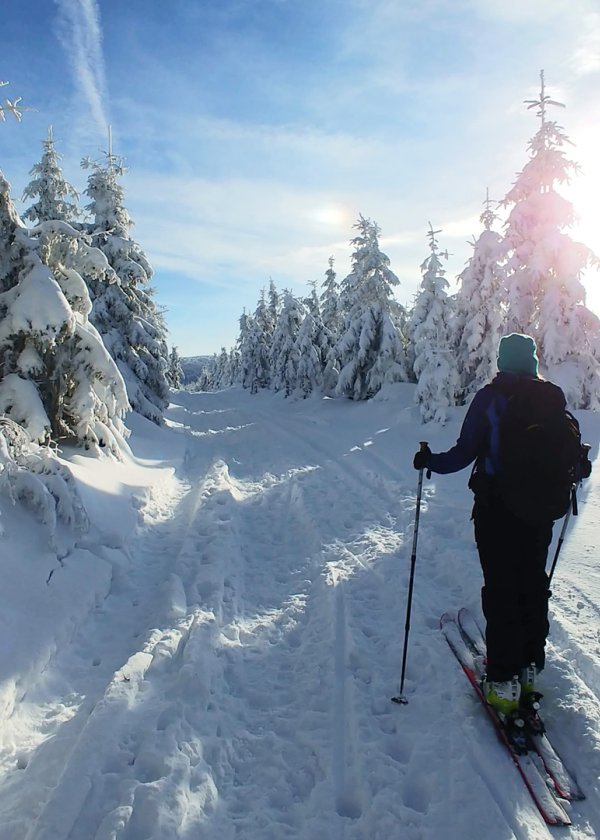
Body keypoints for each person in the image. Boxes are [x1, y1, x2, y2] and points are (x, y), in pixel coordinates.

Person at [413, 333, 584, 718]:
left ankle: (503, 680)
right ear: (534, 362)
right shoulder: (550, 400)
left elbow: (464, 452)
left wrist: (429, 461)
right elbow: (573, 459)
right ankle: (527, 670)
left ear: (503, 361)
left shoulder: (492, 397)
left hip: (498, 510)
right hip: (540, 513)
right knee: (532, 586)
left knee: (503, 589)